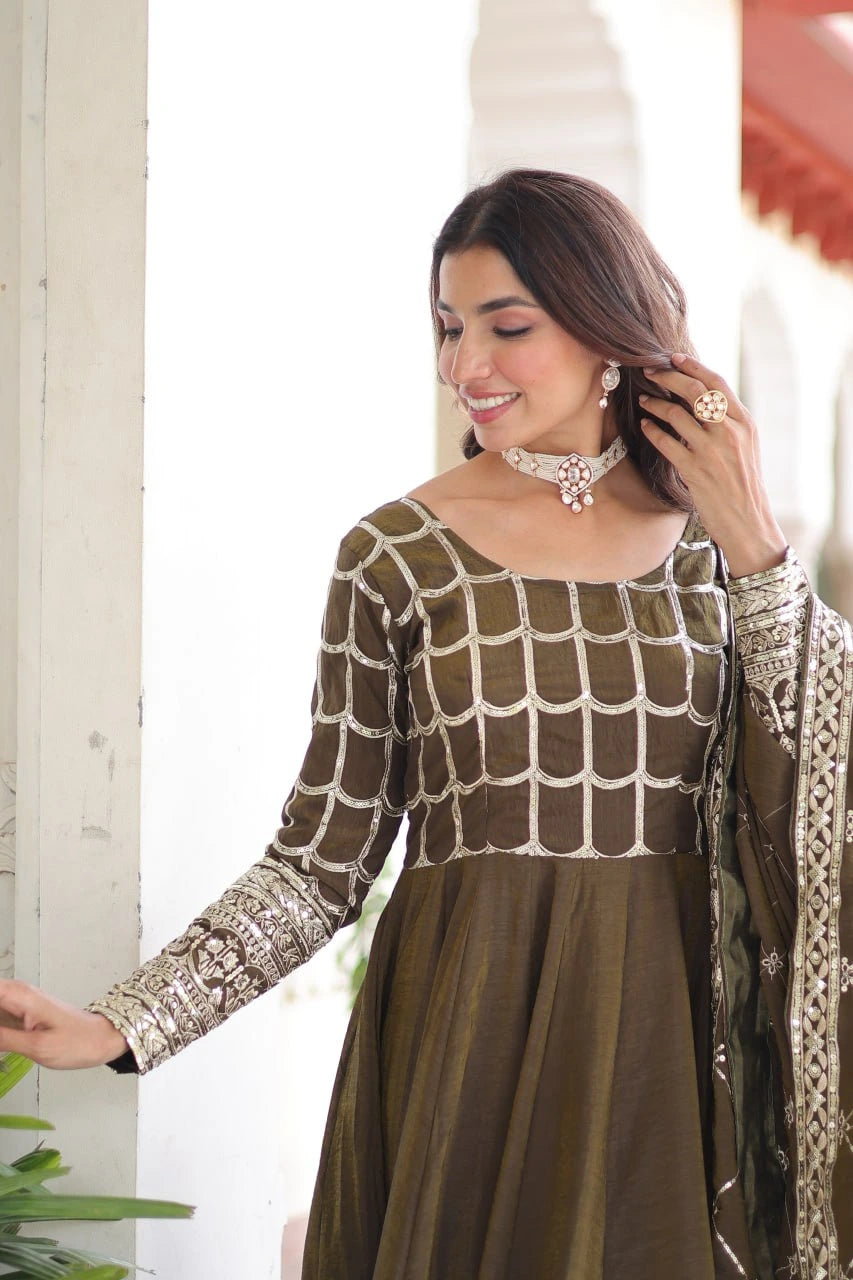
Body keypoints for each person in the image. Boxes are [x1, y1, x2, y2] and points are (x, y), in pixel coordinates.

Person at [0, 168, 850, 1280]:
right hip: (471, 1035)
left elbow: (814, 782)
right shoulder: (398, 554)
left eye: (508, 326)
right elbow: (319, 862)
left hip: (677, 1053)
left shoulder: (721, 553)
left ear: (608, 328)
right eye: (449, 328)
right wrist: (123, 1025)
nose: (467, 366)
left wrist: (756, 551)